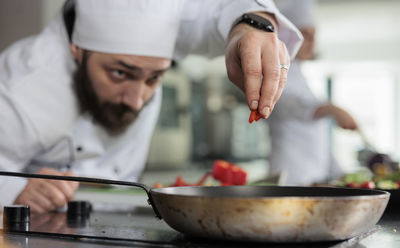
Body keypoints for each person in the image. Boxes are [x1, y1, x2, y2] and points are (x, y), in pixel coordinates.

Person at [0, 0, 302, 212]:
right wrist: (18, 191)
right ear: (78, 51)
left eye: (154, 78)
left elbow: (223, 10)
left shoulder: (159, 27)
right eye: (120, 73)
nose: (136, 100)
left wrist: (251, 27)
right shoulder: (23, 87)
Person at [267, 0, 358, 185]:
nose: (313, 43)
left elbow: (315, 136)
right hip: (289, 178)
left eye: (314, 36)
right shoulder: (274, 71)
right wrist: (332, 109)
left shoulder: (300, 75)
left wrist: (336, 170)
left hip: (312, 179)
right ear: (288, 37)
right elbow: (291, 106)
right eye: (306, 35)